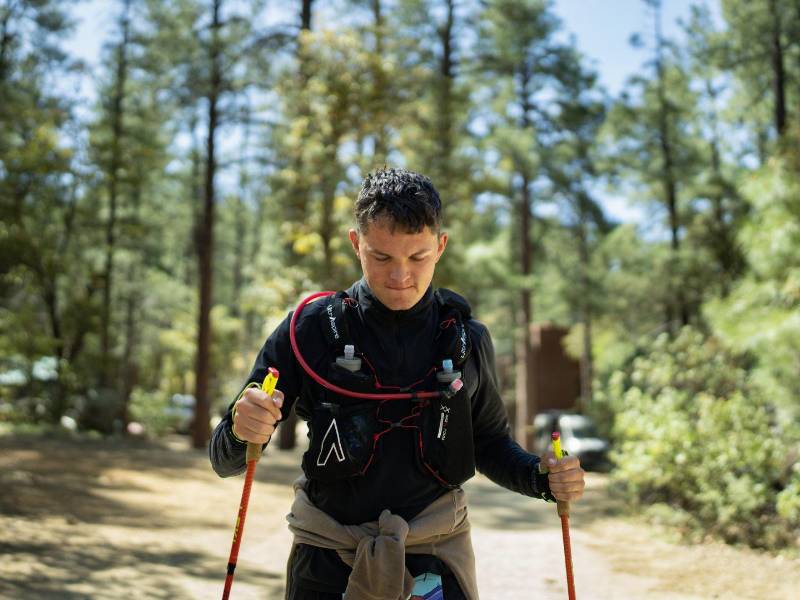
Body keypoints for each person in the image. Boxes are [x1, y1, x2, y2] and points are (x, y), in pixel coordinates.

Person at [210, 167, 585, 600]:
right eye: (381, 256)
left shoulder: (467, 339)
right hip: (327, 558)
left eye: (418, 257)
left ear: (440, 246)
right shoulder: (307, 329)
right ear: (356, 243)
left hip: (434, 559)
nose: (399, 276)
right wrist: (243, 430)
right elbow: (225, 459)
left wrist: (541, 479)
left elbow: (488, 443)